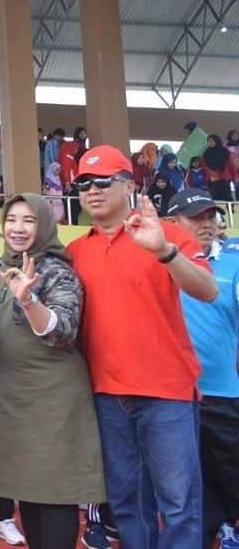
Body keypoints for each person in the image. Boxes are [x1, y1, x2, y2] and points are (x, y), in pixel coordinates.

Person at [68, 144, 218, 548]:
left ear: (130, 186)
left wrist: (165, 252)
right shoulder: (75, 251)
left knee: (179, 504)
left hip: (166, 393)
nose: (92, 190)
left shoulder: (168, 236)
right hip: (105, 395)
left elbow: (207, 290)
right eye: (83, 183)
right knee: (128, 503)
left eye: (103, 181)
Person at [0, 194, 106, 548]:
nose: (17, 228)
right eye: (11, 219)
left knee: (55, 492)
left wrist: (29, 300)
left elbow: (63, 330)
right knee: (28, 493)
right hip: (9, 399)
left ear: (45, 225)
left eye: (29, 220)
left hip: (54, 399)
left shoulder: (58, 273)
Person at [162, 189, 239, 549]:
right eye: (196, 218)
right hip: (171, 392)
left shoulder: (233, 262)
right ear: (172, 222)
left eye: (211, 216)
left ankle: (225, 525)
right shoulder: (156, 261)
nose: (206, 224)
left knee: (227, 469)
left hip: (222, 389)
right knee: (184, 477)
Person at [203, 134, 236, 202]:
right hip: (212, 179)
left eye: (212, 141)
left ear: (217, 141)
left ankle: (229, 208)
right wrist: (210, 173)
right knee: (214, 197)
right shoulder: (206, 153)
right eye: (209, 141)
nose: (210, 143)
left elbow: (231, 164)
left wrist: (235, 176)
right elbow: (205, 166)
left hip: (224, 178)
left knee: (227, 196)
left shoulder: (224, 151)